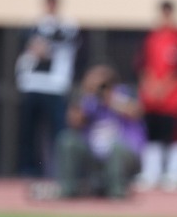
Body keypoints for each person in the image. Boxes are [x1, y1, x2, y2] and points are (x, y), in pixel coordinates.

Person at [16, 0, 80, 178]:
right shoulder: (34, 26)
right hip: (33, 85)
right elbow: (28, 45)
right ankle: (29, 170)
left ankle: (60, 171)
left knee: (58, 133)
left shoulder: (66, 26)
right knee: (29, 132)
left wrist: (44, 45)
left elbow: (63, 41)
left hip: (55, 86)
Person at [55, 64, 145, 199]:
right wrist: (85, 96)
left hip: (123, 154)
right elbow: (73, 121)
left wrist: (108, 97)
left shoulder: (122, 92)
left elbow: (135, 111)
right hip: (94, 153)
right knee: (68, 140)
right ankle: (68, 189)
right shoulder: (88, 99)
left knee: (116, 148)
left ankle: (117, 192)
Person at [134, 0, 177, 191]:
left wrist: (164, 87)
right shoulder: (151, 38)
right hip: (152, 98)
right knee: (152, 134)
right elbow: (142, 65)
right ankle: (151, 173)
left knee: (176, 134)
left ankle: (175, 174)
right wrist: (151, 85)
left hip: (173, 98)